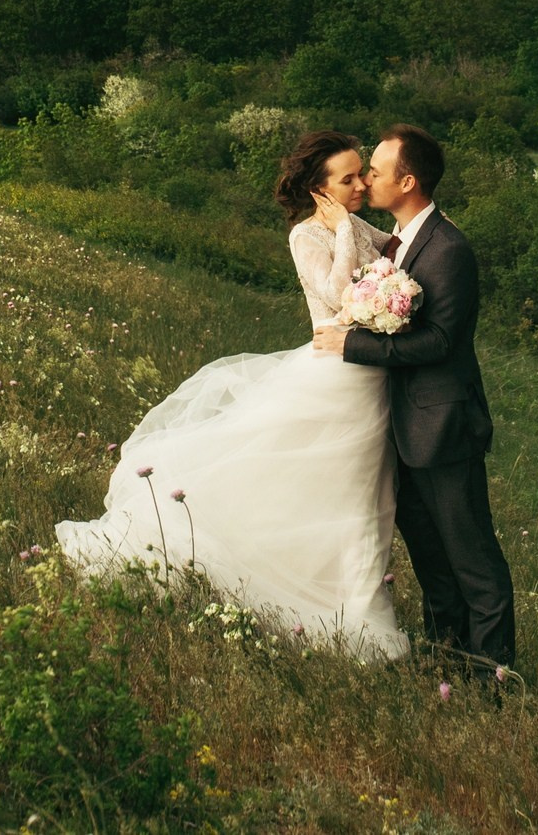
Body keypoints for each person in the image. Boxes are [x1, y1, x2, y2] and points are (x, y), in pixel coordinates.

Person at [54, 130, 408, 660]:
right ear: (320, 190)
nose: (360, 184)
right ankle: (333, 611)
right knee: (336, 493)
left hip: (367, 375)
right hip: (333, 375)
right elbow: (339, 296)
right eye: (348, 178)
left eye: (362, 174)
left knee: (364, 497)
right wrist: (339, 234)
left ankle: (353, 603)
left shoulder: (352, 222)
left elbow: (396, 251)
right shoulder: (307, 236)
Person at [312, 124, 516, 671]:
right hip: (401, 426)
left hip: (443, 426)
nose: (367, 179)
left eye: (375, 171)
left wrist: (353, 343)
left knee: (471, 557)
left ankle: (495, 673)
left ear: (407, 180)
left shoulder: (448, 247)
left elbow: (442, 341)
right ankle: (446, 657)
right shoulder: (398, 243)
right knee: (430, 559)